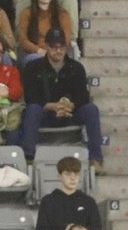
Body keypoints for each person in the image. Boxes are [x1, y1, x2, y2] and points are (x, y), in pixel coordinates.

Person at [21, 29, 104, 169]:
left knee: (91, 109)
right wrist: (51, 106)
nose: (58, 51)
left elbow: (83, 95)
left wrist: (70, 106)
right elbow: (30, 96)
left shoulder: (76, 67)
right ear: (47, 47)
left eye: (61, 47)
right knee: (32, 109)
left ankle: (96, 159)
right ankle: (28, 158)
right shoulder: (33, 67)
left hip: (70, 112)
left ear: (66, 47)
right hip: (45, 113)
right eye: (54, 47)